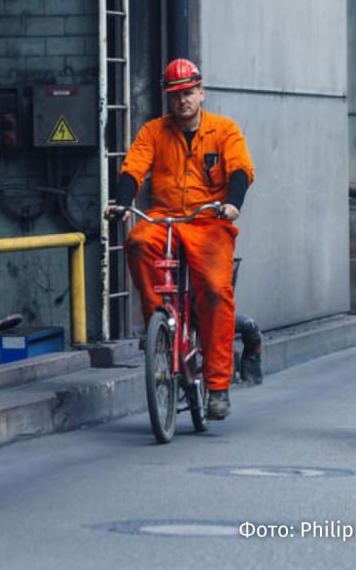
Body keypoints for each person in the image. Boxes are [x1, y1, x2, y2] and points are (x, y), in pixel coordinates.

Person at [107, 58, 254, 420]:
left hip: (210, 221)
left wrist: (233, 204)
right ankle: (161, 324)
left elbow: (241, 169)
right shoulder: (154, 131)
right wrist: (123, 203)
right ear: (168, 100)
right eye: (175, 96)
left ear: (201, 94)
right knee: (139, 242)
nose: (182, 101)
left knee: (217, 291)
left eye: (188, 93)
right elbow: (133, 167)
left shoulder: (225, 130)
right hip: (165, 217)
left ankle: (218, 386)